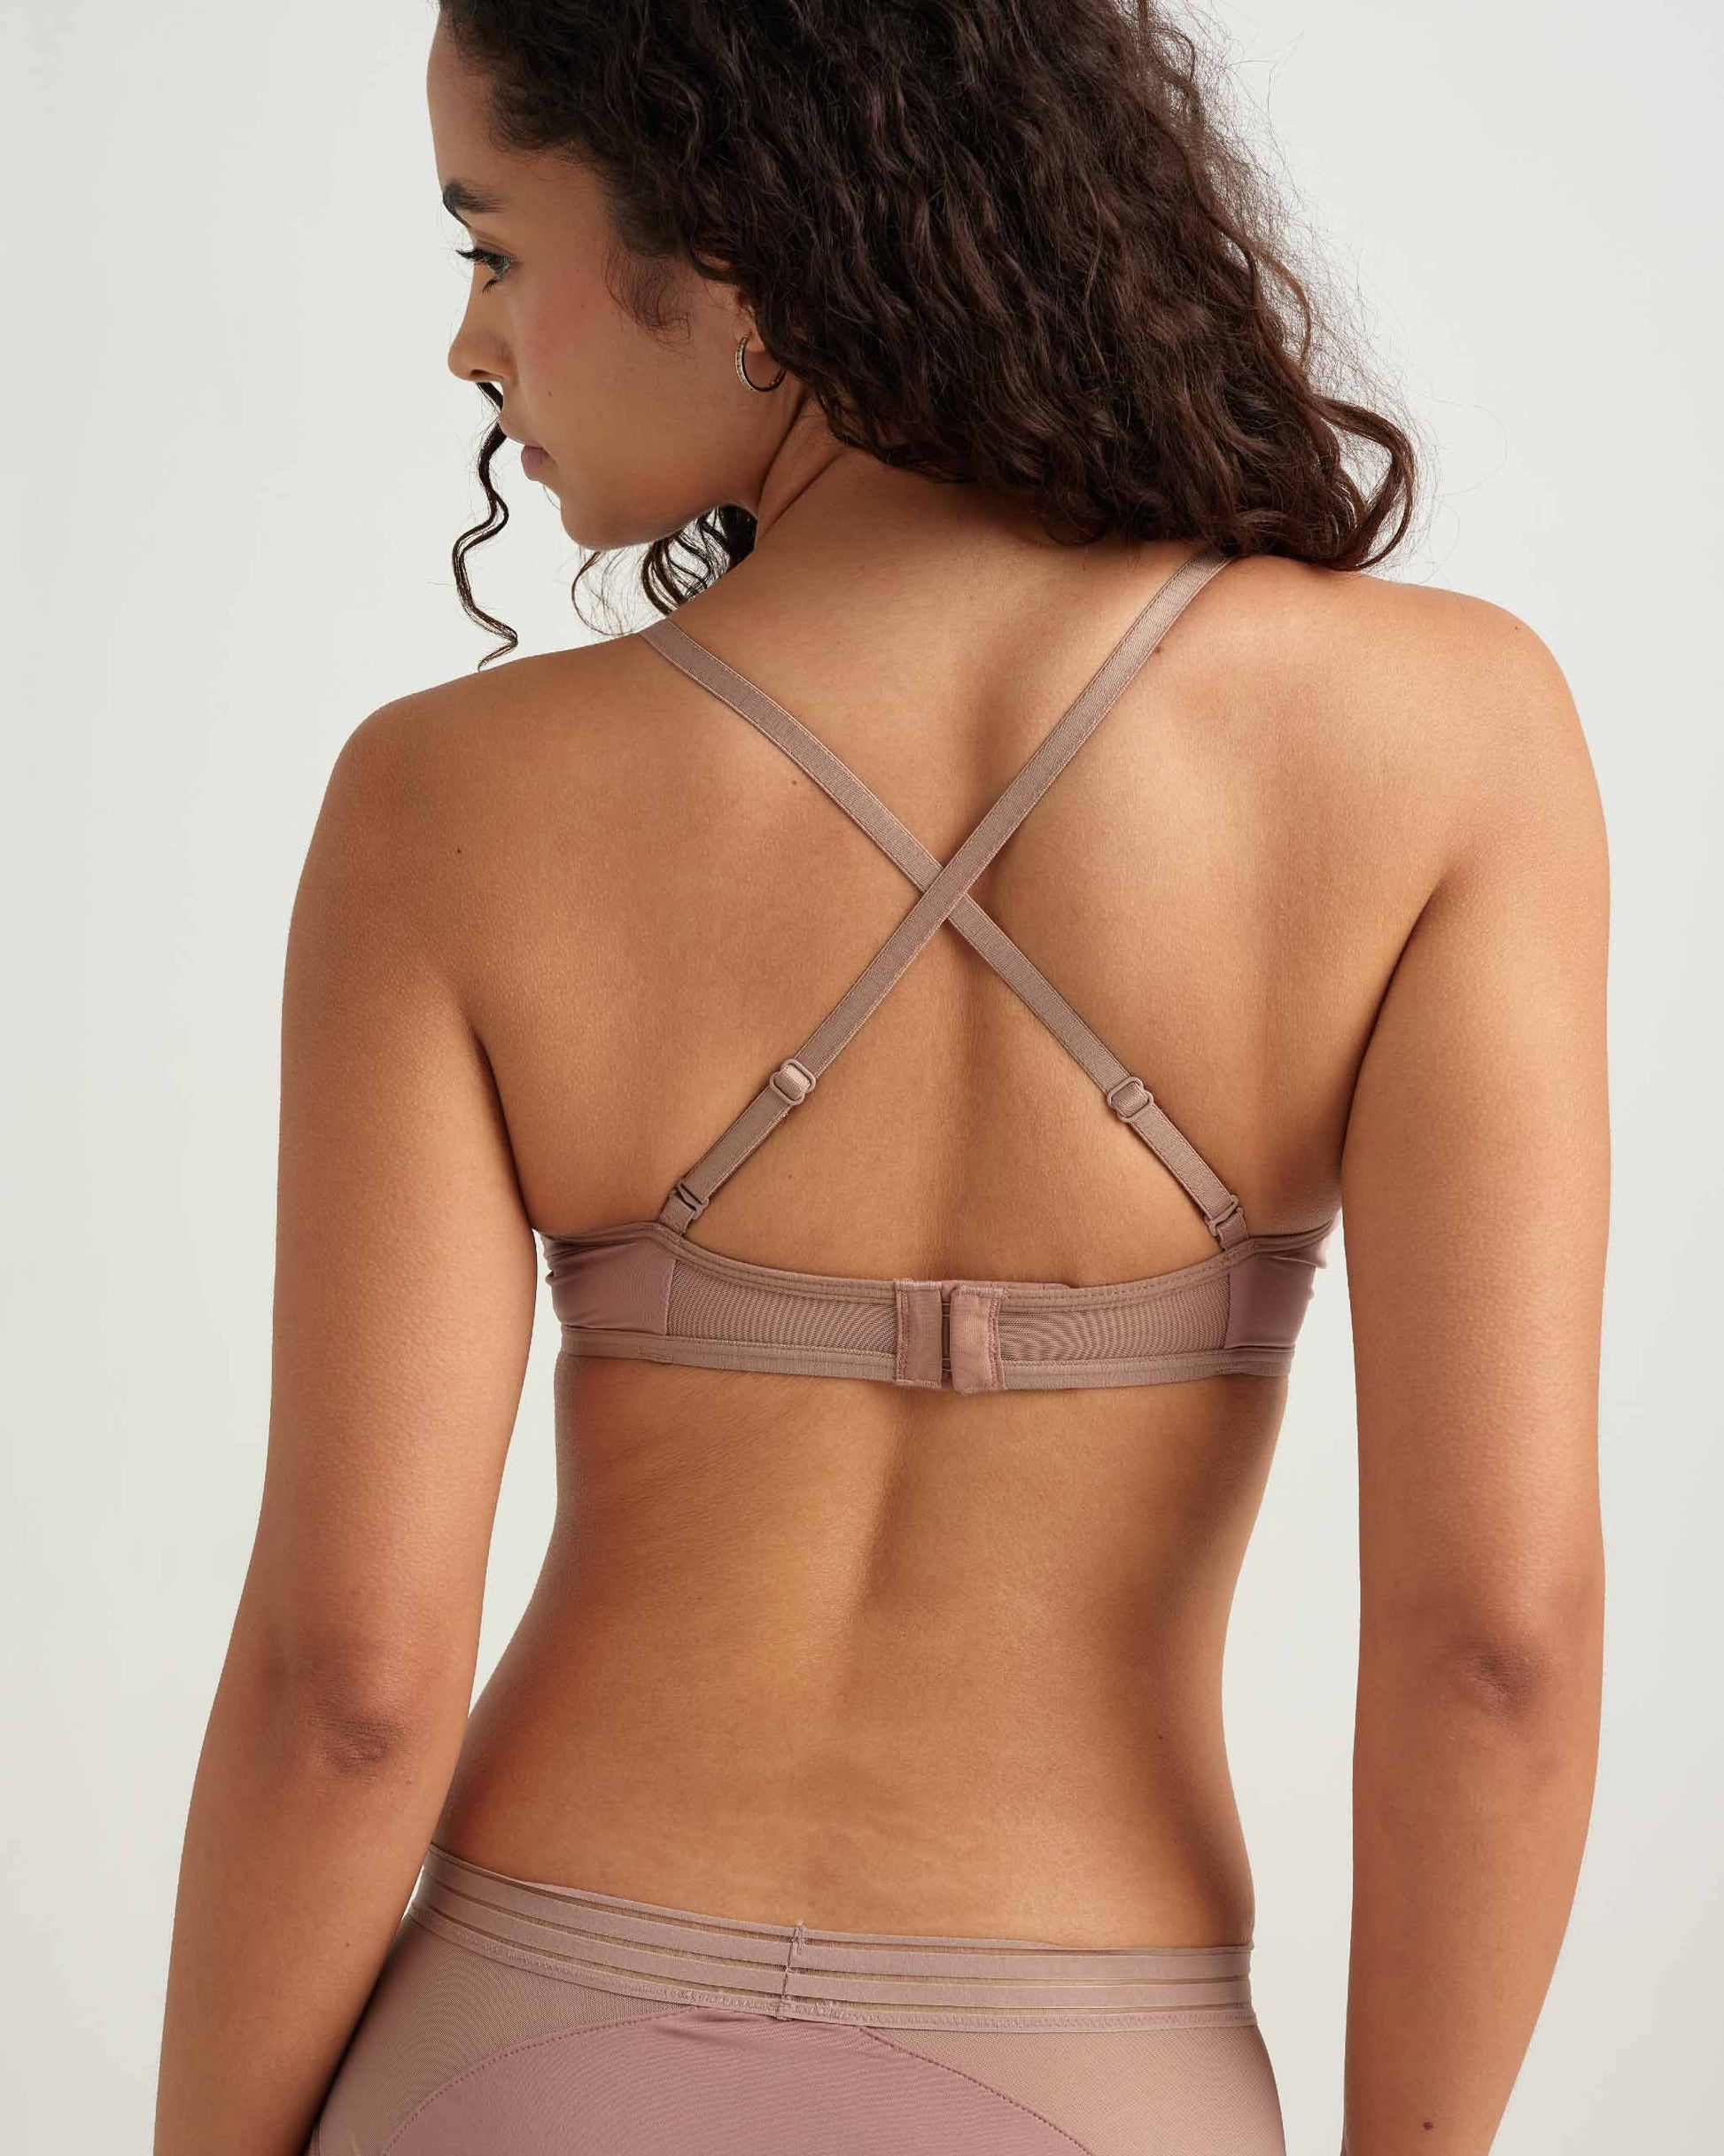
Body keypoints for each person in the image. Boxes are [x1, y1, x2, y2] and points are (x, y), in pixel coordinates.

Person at [153, 4, 1609, 2152]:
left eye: (492, 245)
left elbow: (343, 1688)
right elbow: (1499, 1644)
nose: (472, 345)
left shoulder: (452, 803)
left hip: (521, 2043)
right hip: (1087, 2062)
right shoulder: (1442, 738)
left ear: (730, 248)